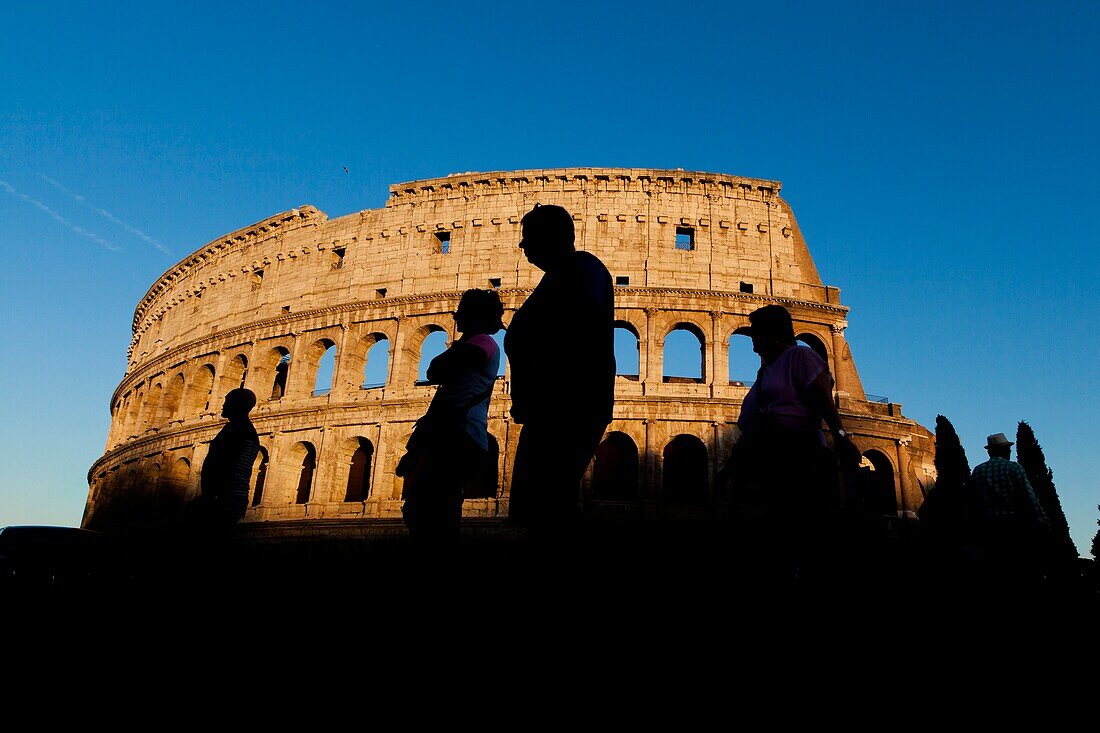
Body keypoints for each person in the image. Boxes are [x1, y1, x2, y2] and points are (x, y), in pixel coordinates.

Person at [720, 304, 861, 585]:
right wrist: (732, 465)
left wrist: (842, 438)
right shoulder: (767, 371)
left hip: (797, 456)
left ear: (774, 335)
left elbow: (823, 399)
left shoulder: (799, 356)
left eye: (755, 335)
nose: (752, 343)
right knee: (779, 531)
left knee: (798, 529)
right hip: (772, 458)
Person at [504, 203, 615, 539]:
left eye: (528, 237)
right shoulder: (563, 274)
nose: (522, 246)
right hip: (554, 404)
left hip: (567, 402)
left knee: (550, 501)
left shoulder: (581, 267)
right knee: (545, 502)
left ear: (552, 236)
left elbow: (580, 324)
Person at [399, 289, 504, 545]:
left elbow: (437, 370)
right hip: (452, 433)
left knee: (435, 503)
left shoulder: (483, 343)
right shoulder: (477, 342)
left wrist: (458, 345)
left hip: (460, 435)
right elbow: (437, 369)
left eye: (462, 315)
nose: (457, 321)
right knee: (427, 502)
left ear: (473, 318)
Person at [964, 432, 1050, 592]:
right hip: (1014, 528)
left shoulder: (978, 471)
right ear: (1004, 450)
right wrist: (1042, 520)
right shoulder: (1013, 468)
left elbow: (970, 502)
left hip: (988, 530)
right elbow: (1029, 496)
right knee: (1019, 572)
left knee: (997, 576)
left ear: (990, 451)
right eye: (1007, 448)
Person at [192, 387, 261, 534]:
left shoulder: (241, 431)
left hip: (225, 499)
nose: (223, 405)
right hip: (228, 498)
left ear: (238, 405)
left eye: (227, 401)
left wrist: (214, 497)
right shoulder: (238, 429)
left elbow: (234, 467)